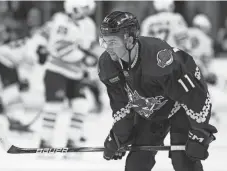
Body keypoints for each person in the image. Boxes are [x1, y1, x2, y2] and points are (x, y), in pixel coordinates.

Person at [98, 11, 217, 171]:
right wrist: (118, 137)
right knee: (136, 165)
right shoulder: (107, 64)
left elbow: (194, 95)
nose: (107, 48)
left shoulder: (160, 59)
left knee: (183, 161)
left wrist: (200, 133)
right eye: (104, 42)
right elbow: (122, 105)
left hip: (180, 106)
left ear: (129, 39)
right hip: (151, 110)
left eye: (112, 42)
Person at [38, 0, 98, 152]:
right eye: (84, 7)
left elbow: (88, 47)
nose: (86, 11)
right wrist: (84, 57)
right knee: (53, 106)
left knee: (81, 106)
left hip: (76, 73)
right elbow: (60, 48)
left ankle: (73, 139)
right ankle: (45, 140)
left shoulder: (88, 24)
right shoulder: (60, 21)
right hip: (56, 71)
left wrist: (89, 61)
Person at [0, 32, 48, 132]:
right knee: (12, 90)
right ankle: (14, 119)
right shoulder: (33, 52)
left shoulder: (33, 43)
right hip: (5, 61)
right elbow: (26, 66)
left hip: (3, 57)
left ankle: (13, 117)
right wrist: (24, 80)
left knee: (12, 90)